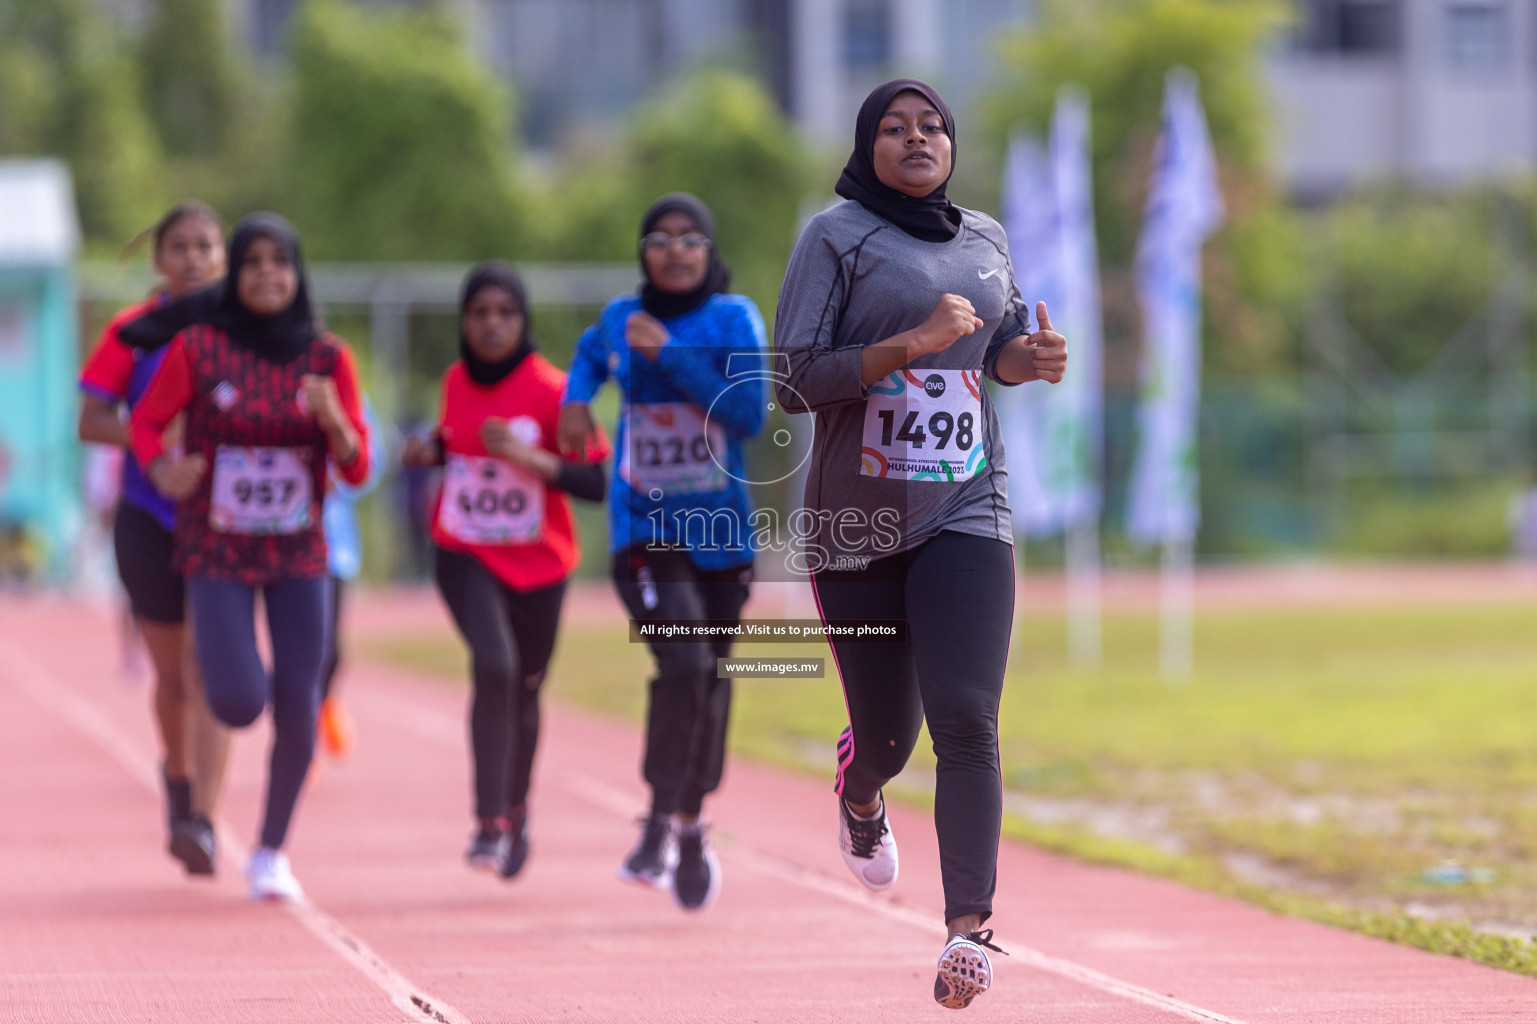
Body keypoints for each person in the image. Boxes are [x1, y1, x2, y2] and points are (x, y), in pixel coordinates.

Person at [774, 79, 1067, 1009]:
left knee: (967, 717)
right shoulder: (834, 237)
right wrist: (910, 341)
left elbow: (998, 351)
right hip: (855, 524)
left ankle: (969, 930)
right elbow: (791, 379)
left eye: (933, 125)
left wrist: (1030, 360)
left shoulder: (984, 237)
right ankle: (860, 796)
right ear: (868, 146)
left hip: (966, 507)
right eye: (894, 128)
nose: (917, 138)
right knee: (891, 744)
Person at [127, 212, 372, 902]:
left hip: (299, 554)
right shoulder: (200, 348)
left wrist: (337, 424)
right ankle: (233, 739)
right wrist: (160, 464)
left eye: (281, 262)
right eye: (254, 262)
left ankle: (270, 850)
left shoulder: (329, 358)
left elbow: (357, 469)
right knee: (237, 701)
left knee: (300, 701)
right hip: (217, 549)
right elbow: (146, 420)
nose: (268, 274)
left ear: (298, 275)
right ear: (236, 274)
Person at [559, 193, 767, 912]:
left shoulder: (732, 319)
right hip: (644, 531)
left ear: (709, 251)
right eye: (659, 238)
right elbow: (590, 356)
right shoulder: (621, 317)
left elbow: (747, 414)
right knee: (683, 660)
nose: (675, 251)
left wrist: (668, 357)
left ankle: (687, 822)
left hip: (721, 536)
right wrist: (575, 398)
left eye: (689, 239)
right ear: (642, 250)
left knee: (707, 677)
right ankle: (654, 820)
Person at [402, 261, 608, 880]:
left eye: (505, 314)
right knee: (494, 667)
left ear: (524, 321)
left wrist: (528, 456)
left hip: (539, 566)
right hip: (464, 552)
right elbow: (456, 440)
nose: (492, 325)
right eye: (479, 314)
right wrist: (428, 450)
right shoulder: (455, 381)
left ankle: (516, 809)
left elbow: (595, 481)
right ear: (464, 321)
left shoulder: (557, 391)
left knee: (524, 688)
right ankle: (487, 820)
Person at [77, 201, 233, 875]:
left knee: (213, 669)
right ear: (158, 260)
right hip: (149, 516)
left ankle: (203, 817)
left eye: (206, 246)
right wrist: (153, 438)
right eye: (180, 247)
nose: (194, 257)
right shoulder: (132, 330)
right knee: (173, 674)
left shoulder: (243, 329)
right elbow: (91, 420)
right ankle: (177, 775)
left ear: (223, 257)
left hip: (227, 520)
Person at [317, 396, 386, 761]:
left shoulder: (348, 395)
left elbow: (370, 468)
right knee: (296, 650)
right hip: (269, 545)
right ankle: (301, 733)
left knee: (329, 650)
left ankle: (321, 707)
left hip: (332, 546)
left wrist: (337, 480)